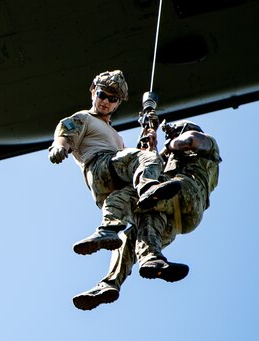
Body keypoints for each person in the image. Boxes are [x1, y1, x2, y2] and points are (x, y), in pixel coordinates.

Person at [72, 119, 222, 310]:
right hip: (178, 219)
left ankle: (107, 228)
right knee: (135, 233)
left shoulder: (206, 144)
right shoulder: (170, 161)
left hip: (185, 192)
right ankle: (116, 280)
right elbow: (151, 166)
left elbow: (190, 141)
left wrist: (168, 145)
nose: (171, 137)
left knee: (126, 194)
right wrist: (151, 147)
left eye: (173, 133)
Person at [48, 70, 181, 256]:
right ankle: (147, 187)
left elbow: (134, 161)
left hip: (108, 188)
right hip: (99, 165)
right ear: (93, 91)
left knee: (148, 212)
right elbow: (65, 133)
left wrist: (151, 143)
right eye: (102, 95)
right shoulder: (85, 118)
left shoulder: (116, 137)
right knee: (147, 161)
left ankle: (139, 250)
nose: (106, 102)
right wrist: (59, 147)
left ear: (118, 103)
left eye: (113, 99)